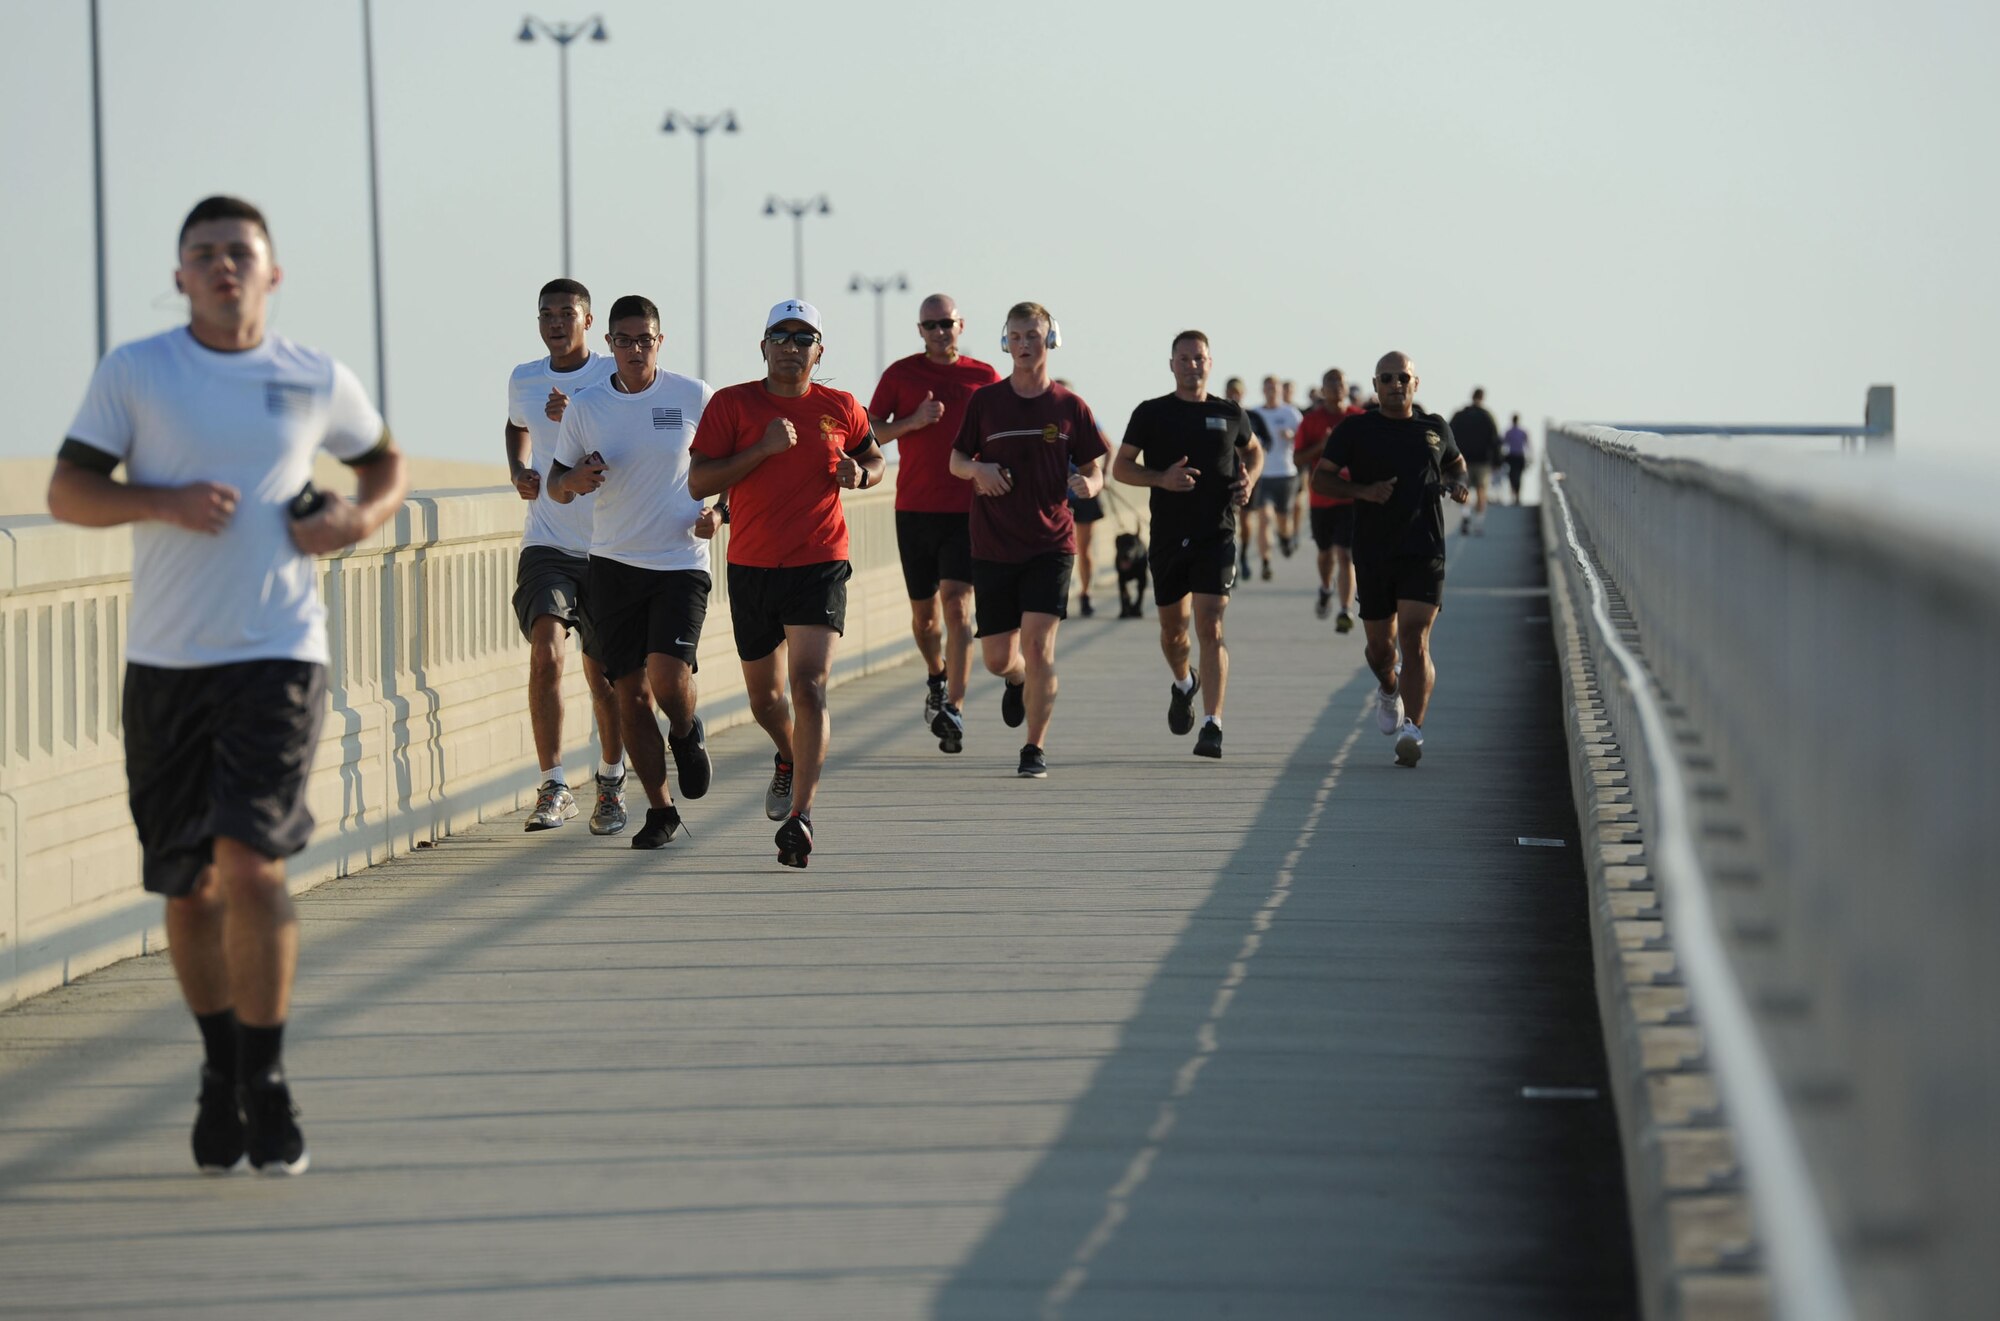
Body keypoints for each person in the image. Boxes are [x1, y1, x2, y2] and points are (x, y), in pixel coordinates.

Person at [47, 195, 409, 1175]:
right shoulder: (138, 372)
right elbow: (65, 491)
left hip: (278, 650)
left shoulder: (309, 375)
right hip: (166, 660)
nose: (221, 268)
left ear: (272, 271)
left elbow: (383, 460)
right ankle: (220, 1067)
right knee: (189, 884)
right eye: (202, 255)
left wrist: (359, 518)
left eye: (238, 253)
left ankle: (270, 1076)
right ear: (178, 276)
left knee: (252, 866)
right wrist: (156, 497)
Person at [690, 300, 884, 867]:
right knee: (766, 699)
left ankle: (800, 816)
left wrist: (861, 474)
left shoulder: (841, 406)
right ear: (764, 346)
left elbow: (874, 459)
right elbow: (699, 478)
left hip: (819, 562)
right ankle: (787, 753)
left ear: (819, 351)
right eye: (781, 335)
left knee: (810, 687)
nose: (792, 347)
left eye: (804, 338)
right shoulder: (732, 404)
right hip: (751, 565)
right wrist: (762, 449)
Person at [546, 295, 716, 850]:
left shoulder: (693, 396)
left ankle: (687, 732)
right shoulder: (587, 405)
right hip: (613, 563)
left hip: (679, 561)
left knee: (667, 679)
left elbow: (730, 467)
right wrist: (576, 481)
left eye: (645, 339)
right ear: (609, 344)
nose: (635, 349)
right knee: (629, 695)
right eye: (624, 340)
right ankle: (661, 810)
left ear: (660, 342)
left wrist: (723, 511)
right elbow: (556, 482)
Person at [948, 302, 1108, 778]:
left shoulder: (1069, 407)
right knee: (1000, 658)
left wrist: (1089, 485)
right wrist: (978, 468)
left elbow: (1095, 467)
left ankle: (1034, 747)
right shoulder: (986, 402)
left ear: (1050, 340)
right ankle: (1015, 680)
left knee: (1040, 647)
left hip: (1050, 543)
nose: (1024, 345)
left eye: (1033, 336)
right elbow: (956, 461)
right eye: (1016, 336)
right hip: (993, 544)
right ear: (1005, 342)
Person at [505, 279, 627, 835]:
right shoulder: (525, 378)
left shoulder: (609, 374)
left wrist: (579, 413)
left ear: (588, 320)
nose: (555, 323)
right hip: (547, 541)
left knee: (604, 677)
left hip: (608, 544)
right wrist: (519, 469)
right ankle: (554, 785)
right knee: (546, 651)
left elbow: (630, 436)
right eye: (546, 314)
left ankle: (609, 781)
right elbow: (516, 425)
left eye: (566, 313)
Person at [1311, 351, 1470, 767]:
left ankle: (1413, 731)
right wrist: (1363, 491)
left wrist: (1458, 486)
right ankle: (1387, 687)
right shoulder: (1356, 429)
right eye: (1387, 378)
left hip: (1425, 549)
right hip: (1375, 551)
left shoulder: (1435, 428)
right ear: (1376, 385)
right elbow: (1321, 477)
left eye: (1404, 377)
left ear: (1416, 383)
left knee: (1415, 639)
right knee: (1381, 650)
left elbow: (1457, 466)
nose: (1396, 384)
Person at [1112, 330, 1261, 759]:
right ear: (1171, 364)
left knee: (1210, 625)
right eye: (1184, 358)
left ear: (1210, 363)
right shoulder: (1151, 413)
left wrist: (1248, 477)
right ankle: (1184, 683)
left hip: (1217, 533)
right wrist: (1160, 478)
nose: (1192, 365)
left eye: (1199, 358)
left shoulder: (1230, 412)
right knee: (1173, 632)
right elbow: (1121, 467)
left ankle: (1213, 724)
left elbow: (1254, 451)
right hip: (1167, 537)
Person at [866, 294, 1000, 754]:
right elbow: (868, 434)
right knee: (926, 620)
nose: (940, 332)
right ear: (920, 331)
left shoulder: (983, 377)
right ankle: (937, 677)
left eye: (947, 323)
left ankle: (955, 708)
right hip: (915, 510)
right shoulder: (901, 375)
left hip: (968, 511)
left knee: (959, 607)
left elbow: (1001, 436)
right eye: (931, 325)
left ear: (961, 325)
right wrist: (914, 421)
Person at [1293, 367, 1363, 629]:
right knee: (1325, 554)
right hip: (1321, 499)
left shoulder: (1359, 418)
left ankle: (1345, 609)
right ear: (1322, 390)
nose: (1336, 387)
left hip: (1352, 498)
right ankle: (1325, 587)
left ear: (1347, 388)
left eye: (1340, 382)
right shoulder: (1311, 421)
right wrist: (1322, 447)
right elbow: (1297, 459)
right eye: (1330, 383)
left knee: (1345, 554)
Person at [1055, 378, 1109, 620]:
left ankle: (1085, 593)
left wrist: (1101, 477)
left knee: (1084, 549)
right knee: (1058, 550)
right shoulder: (1043, 419)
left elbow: (1107, 446)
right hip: (1057, 496)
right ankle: (1060, 595)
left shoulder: (1081, 416)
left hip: (1083, 492)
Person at [1248, 376, 1303, 578]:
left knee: (1283, 519)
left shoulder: (1290, 413)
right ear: (1263, 390)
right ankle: (1266, 562)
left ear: (1280, 391)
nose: (1271, 391)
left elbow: (1304, 439)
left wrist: (1293, 436)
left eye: (1275, 388)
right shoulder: (1255, 414)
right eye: (1268, 388)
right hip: (1263, 474)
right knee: (1264, 518)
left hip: (1286, 474)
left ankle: (1286, 537)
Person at [1224, 376, 1268, 578]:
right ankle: (1230, 562)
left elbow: (1266, 442)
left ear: (1243, 393)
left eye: (1237, 392)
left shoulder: (1251, 416)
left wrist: (1253, 456)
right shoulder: (1220, 413)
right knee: (1229, 521)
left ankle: (1242, 554)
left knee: (1246, 520)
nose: (1234, 395)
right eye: (1230, 391)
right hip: (1225, 476)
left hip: (1248, 476)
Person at [1450, 387, 1501, 535]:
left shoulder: (1460, 415)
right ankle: (1478, 522)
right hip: (1483, 460)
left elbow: (1449, 435)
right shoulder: (1487, 417)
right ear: (1483, 398)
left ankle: (1466, 515)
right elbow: (1495, 439)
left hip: (1463, 459)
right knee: (1481, 491)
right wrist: (1497, 461)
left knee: (1464, 490)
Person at [1502, 413, 1531, 503]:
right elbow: (1527, 445)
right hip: (1520, 456)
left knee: (1512, 476)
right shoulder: (1523, 432)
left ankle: (1514, 494)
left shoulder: (1508, 432)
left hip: (1511, 456)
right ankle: (1517, 495)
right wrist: (1530, 457)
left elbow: (1504, 443)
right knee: (1518, 476)